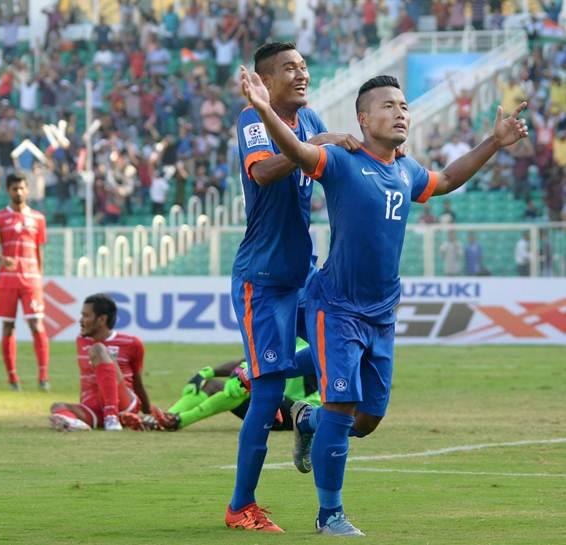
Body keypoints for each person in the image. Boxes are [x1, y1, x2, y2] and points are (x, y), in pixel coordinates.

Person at [240, 69, 528, 535]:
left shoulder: (407, 170)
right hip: (335, 306)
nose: (401, 113)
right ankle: (329, 513)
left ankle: (307, 421)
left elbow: (449, 177)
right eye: (389, 106)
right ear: (362, 118)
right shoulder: (339, 160)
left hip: (381, 312)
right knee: (343, 402)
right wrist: (264, 109)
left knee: (368, 418)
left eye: (405, 106)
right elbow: (295, 152)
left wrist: (494, 142)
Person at [227, 42, 360, 533]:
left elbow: (323, 151)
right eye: (290, 68)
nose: (302, 74)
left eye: (304, 65)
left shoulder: (309, 119)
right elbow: (262, 171)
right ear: (265, 81)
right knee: (267, 393)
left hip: (304, 276)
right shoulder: (253, 120)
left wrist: (365, 151)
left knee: (347, 354)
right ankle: (241, 505)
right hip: (261, 281)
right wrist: (316, 147)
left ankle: (305, 420)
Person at [49, 294, 167, 431]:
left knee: (99, 349)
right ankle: (75, 424)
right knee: (57, 407)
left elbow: (137, 382)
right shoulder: (81, 340)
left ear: (102, 319)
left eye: (86, 316)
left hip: (123, 402)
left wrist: (148, 412)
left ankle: (112, 418)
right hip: (94, 408)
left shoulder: (132, 343)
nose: (81, 321)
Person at [165, 339, 321, 431]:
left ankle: (180, 420)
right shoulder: (284, 337)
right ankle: (165, 417)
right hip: (275, 403)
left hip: (301, 411)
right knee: (212, 385)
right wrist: (206, 373)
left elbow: (269, 363)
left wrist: (242, 372)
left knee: (244, 387)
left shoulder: (308, 343)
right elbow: (247, 361)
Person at [0, 173, 50, 391]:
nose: (19, 192)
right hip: (7, 279)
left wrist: (40, 277)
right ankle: (13, 378)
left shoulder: (38, 218)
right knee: (8, 327)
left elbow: (39, 250)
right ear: (8, 190)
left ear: (28, 189)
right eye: (15, 189)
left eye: (22, 188)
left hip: (31, 279)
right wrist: (0, 259)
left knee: (37, 324)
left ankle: (43, 377)